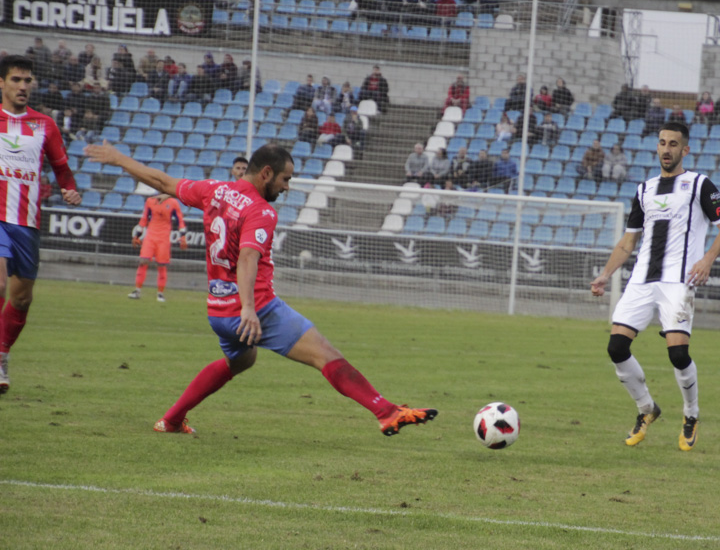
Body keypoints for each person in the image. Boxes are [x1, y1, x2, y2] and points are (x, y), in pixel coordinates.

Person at [85, 142, 438, 436]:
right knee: (325, 354)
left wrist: (118, 159)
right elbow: (248, 259)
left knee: (241, 360)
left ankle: (173, 420)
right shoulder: (260, 212)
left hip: (217, 311)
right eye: (285, 179)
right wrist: (250, 309)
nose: (287, 187)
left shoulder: (214, 191)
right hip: (255, 309)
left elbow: (160, 180)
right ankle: (385, 411)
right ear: (266, 173)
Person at [589, 122, 720, 452]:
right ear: (657, 147)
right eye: (662, 143)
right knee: (616, 348)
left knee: (678, 353)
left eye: (673, 144)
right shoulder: (644, 190)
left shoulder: (699, 184)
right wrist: (605, 274)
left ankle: (691, 415)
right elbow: (628, 241)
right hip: (642, 280)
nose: (666, 149)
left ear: (685, 150)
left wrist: (708, 259)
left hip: (678, 281)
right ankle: (647, 409)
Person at [0, 56, 84, 395]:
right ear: (2, 83)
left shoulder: (44, 125)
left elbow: (61, 167)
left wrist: (70, 188)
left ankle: (2, 354)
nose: (23, 86)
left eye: (28, 80)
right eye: (16, 79)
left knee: (21, 300)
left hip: (27, 222)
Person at [127, 194, 187, 302]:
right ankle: (137, 290)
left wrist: (183, 236)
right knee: (143, 261)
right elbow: (144, 218)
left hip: (163, 238)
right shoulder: (150, 201)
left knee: (161, 265)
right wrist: (137, 235)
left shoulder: (173, 203)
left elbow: (180, 220)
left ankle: (160, 293)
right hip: (150, 236)